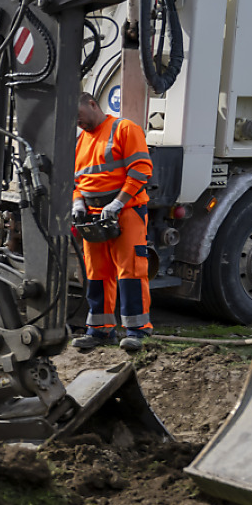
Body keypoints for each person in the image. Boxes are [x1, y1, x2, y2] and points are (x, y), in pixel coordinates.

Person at [71, 91, 153, 352]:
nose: (78, 122)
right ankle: (99, 330)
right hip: (95, 216)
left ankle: (138, 331)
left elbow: (141, 169)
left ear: (93, 104)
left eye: (79, 115)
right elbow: (78, 182)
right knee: (97, 273)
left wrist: (118, 202)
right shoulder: (80, 141)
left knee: (130, 270)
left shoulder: (124, 129)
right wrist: (78, 202)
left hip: (126, 212)